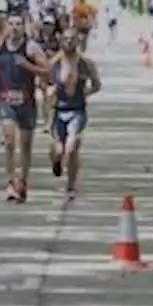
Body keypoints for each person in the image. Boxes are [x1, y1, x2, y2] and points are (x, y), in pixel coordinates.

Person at [0, 12, 49, 203]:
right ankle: (10, 182)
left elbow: (47, 71)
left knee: (25, 146)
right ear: (5, 26)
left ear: (24, 27)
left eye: (18, 24)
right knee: (8, 141)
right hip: (7, 100)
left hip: (27, 102)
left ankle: (23, 181)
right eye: (11, 24)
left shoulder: (31, 48)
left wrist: (28, 66)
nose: (14, 27)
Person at [48, 25, 102, 202]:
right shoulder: (54, 62)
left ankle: (71, 186)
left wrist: (87, 92)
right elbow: (44, 82)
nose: (69, 42)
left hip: (77, 110)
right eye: (66, 39)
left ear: (78, 41)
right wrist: (49, 91)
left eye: (72, 39)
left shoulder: (86, 63)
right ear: (61, 41)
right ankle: (56, 161)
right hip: (59, 110)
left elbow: (96, 84)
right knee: (58, 150)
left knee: (71, 149)